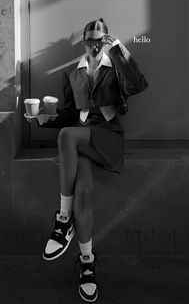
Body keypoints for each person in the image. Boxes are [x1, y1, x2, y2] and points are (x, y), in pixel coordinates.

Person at [36, 18, 148, 302]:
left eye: (101, 40)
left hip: (107, 137)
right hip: (83, 139)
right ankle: (87, 262)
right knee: (83, 193)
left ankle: (62, 220)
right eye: (90, 40)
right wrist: (43, 118)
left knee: (65, 137)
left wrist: (119, 48)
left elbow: (136, 85)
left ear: (106, 40)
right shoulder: (73, 75)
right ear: (84, 42)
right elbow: (69, 115)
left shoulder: (116, 67)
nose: (95, 45)